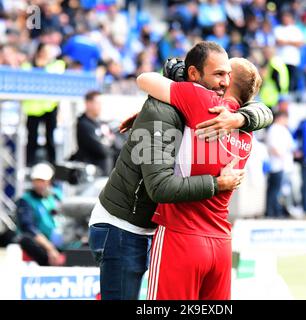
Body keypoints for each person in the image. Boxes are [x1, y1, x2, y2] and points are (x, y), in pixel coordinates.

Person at [88, 41, 273, 300]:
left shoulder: (205, 107)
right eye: (218, 74)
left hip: (171, 231)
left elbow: (146, 79)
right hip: (124, 225)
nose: (223, 81)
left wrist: (241, 116)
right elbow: (161, 187)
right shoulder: (240, 129)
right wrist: (216, 182)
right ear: (194, 74)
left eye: (227, 76)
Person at [136, 56, 263, 300]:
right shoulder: (247, 130)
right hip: (221, 242)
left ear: (228, 81)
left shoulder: (202, 101)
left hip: (182, 234)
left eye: (223, 72)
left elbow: (145, 79)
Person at [22, 43, 66, 167]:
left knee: (50, 139)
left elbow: (56, 76)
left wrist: (44, 66)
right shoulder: (28, 65)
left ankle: (53, 164)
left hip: (50, 107)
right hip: (33, 109)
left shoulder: (57, 65)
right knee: (32, 139)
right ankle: (28, 164)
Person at [16, 163, 66, 266]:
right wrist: (50, 248)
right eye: (37, 181)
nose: (39, 184)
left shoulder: (56, 196)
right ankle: (51, 263)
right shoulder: (25, 200)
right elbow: (28, 227)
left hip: (61, 239)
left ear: (49, 181)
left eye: (43, 181)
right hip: (42, 244)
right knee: (26, 239)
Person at [70, 90, 115, 176]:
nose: (100, 106)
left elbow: (118, 146)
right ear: (88, 104)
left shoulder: (101, 123)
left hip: (105, 174)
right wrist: (109, 140)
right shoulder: (83, 124)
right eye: (97, 103)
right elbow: (102, 150)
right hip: (90, 177)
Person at [265, 111, 295, 218]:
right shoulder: (274, 129)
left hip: (282, 165)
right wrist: (281, 156)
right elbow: (273, 147)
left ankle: (276, 210)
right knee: (275, 190)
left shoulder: (283, 129)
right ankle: (272, 212)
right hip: (276, 164)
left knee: (278, 190)